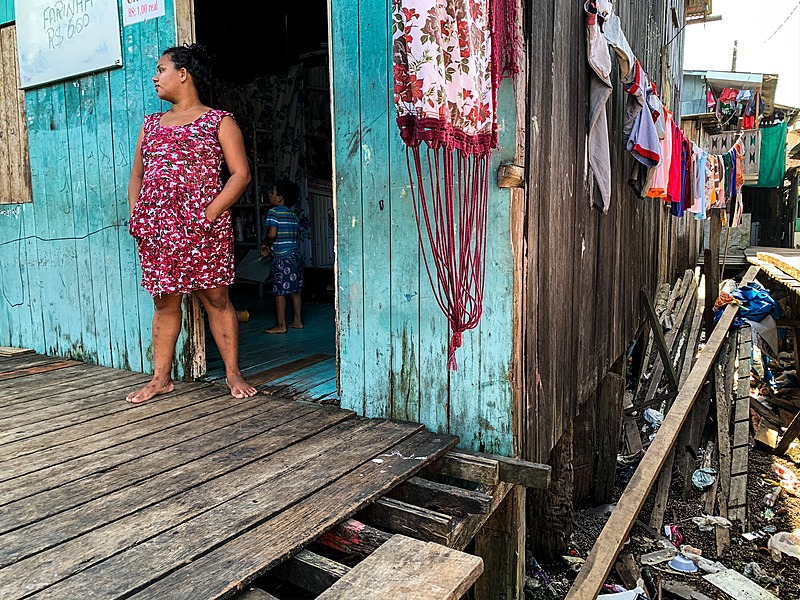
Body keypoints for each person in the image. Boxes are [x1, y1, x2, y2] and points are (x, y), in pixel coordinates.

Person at [126, 44, 257, 403]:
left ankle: (233, 374)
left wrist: (208, 215)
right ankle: (160, 379)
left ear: (183, 74)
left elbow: (240, 174)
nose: (155, 77)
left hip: (203, 229)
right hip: (156, 231)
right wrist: (138, 215)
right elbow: (136, 176)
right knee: (165, 302)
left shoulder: (219, 121)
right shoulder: (151, 125)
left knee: (216, 299)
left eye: (161, 69)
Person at [260, 179, 304, 333]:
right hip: (295, 256)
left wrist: (265, 243)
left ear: (280, 198)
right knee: (295, 291)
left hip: (282, 259)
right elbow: (298, 233)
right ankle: (297, 321)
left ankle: (281, 325)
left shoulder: (273, 212)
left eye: (272, 192)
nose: (269, 195)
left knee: (279, 291)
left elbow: (272, 233)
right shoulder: (292, 214)